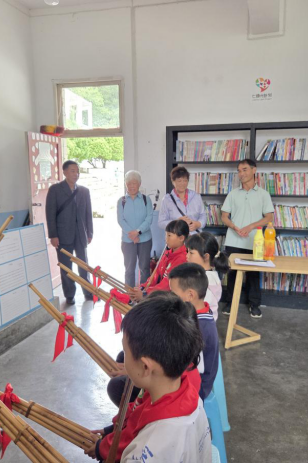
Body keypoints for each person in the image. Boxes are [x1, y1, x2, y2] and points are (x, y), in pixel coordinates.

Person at [87, 292, 211, 463]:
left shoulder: (146, 452)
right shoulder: (188, 394)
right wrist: (111, 431)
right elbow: (136, 417)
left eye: (126, 352)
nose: (124, 358)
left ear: (145, 367)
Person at [220, 158, 274, 319]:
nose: (241, 174)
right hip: (233, 240)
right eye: (239, 171)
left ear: (254, 170)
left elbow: (269, 217)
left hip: (254, 241)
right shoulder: (233, 194)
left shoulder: (263, 194)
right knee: (232, 274)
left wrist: (251, 226)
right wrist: (234, 227)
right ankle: (230, 303)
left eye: (244, 170)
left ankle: (254, 305)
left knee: (253, 275)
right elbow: (224, 216)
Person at [46, 160, 94, 305]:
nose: (76, 174)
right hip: (62, 235)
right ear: (65, 172)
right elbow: (50, 214)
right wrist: (53, 235)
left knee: (83, 265)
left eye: (77, 171)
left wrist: (89, 233)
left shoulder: (84, 191)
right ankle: (69, 295)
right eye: (73, 171)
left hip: (80, 234)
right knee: (66, 267)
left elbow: (88, 214)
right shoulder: (55, 190)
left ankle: (88, 291)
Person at [169, 263, 219, 400]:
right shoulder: (200, 312)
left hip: (195, 390)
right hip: (192, 380)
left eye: (173, 293)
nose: (169, 297)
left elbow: (177, 366)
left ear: (190, 295)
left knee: (120, 385)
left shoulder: (197, 327)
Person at [128, 220, 189, 302]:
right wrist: (143, 287)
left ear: (181, 238)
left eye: (169, 235)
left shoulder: (182, 259)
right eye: (166, 235)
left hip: (169, 300)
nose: (166, 238)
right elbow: (156, 274)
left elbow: (167, 285)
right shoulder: (167, 252)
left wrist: (146, 294)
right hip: (158, 295)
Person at [117, 170, 153, 288]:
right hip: (128, 241)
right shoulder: (121, 201)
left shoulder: (146, 199)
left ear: (139, 184)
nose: (132, 186)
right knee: (129, 269)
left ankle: (144, 293)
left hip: (145, 239)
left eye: (134, 183)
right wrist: (132, 235)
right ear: (126, 184)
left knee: (145, 268)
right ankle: (129, 294)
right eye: (129, 183)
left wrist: (138, 232)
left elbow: (149, 218)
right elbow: (121, 220)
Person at [185, 232, 230, 321]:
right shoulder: (206, 275)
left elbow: (197, 310)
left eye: (191, 253)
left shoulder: (206, 281)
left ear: (206, 256)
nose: (187, 256)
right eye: (187, 251)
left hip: (201, 324)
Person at [159, 166, 206, 235]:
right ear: (173, 181)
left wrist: (198, 224)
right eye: (179, 181)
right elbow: (161, 222)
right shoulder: (166, 199)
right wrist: (176, 222)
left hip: (194, 236)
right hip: (176, 237)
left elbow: (203, 215)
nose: (182, 183)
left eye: (185, 180)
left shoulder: (196, 196)